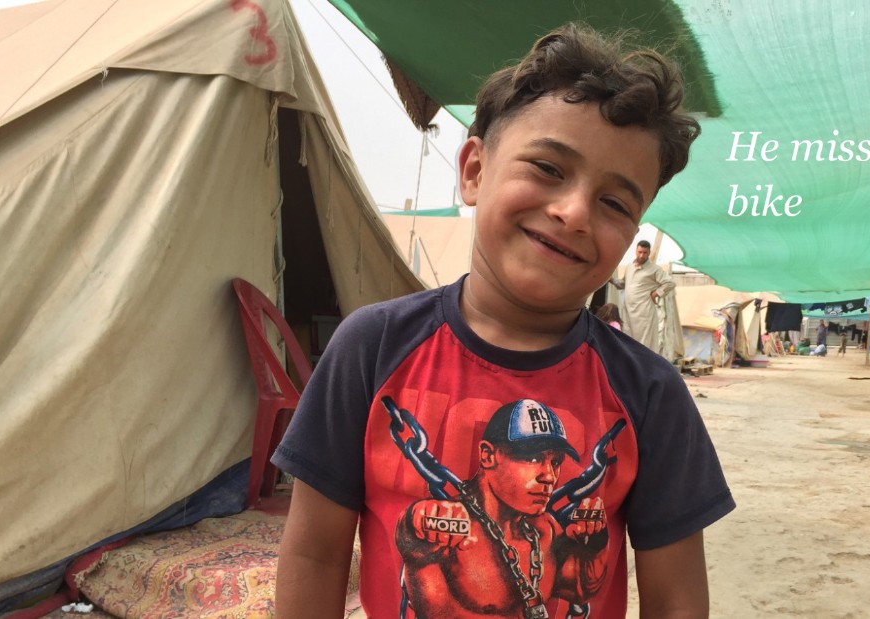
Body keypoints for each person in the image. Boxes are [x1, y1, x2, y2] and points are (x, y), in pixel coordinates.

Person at [272, 22, 734, 619]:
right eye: (547, 168)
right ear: (472, 170)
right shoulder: (373, 347)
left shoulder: (649, 393)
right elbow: (314, 554)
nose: (572, 213)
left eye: (615, 203)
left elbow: (675, 598)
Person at [394, 400, 610, 616]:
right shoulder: (449, 530)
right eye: (533, 457)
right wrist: (416, 523)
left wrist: (596, 541)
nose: (549, 476)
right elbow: (414, 541)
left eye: (555, 462)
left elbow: (582, 587)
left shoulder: (545, 530)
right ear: (488, 456)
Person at [610, 240, 675, 352]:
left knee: (644, 345)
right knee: (628, 341)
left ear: (649, 253)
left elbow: (670, 283)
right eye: (640, 252)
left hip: (644, 313)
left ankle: (644, 368)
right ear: (636, 250)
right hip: (628, 311)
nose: (642, 255)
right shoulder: (630, 266)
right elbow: (623, 284)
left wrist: (656, 293)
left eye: (645, 252)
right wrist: (610, 280)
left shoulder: (654, 269)